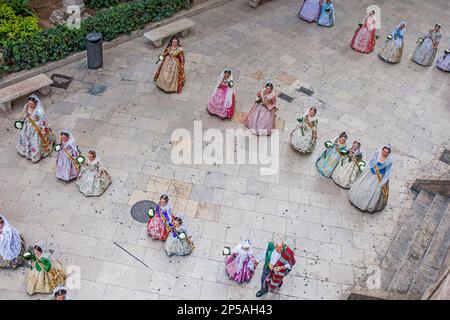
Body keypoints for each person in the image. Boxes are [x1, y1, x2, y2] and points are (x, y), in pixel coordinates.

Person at [348, 145, 393, 213]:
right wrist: (367, 168)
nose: (385, 153)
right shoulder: (377, 154)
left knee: (371, 190)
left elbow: (387, 172)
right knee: (363, 186)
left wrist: (383, 182)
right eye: (384, 151)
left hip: (378, 177)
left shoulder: (389, 162)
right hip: (370, 173)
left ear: (389, 153)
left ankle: (366, 205)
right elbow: (371, 161)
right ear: (382, 150)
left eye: (386, 152)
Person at [16, 94, 54, 163]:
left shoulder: (39, 111)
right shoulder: (27, 107)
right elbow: (25, 114)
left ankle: (36, 154)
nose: (30, 105)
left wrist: (43, 130)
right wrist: (26, 109)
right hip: (28, 124)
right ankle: (26, 150)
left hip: (37, 127)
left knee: (36, 140)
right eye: (29, 103)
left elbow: (42, 121)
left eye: (32, 104)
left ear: (36, 103)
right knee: (27, 136)